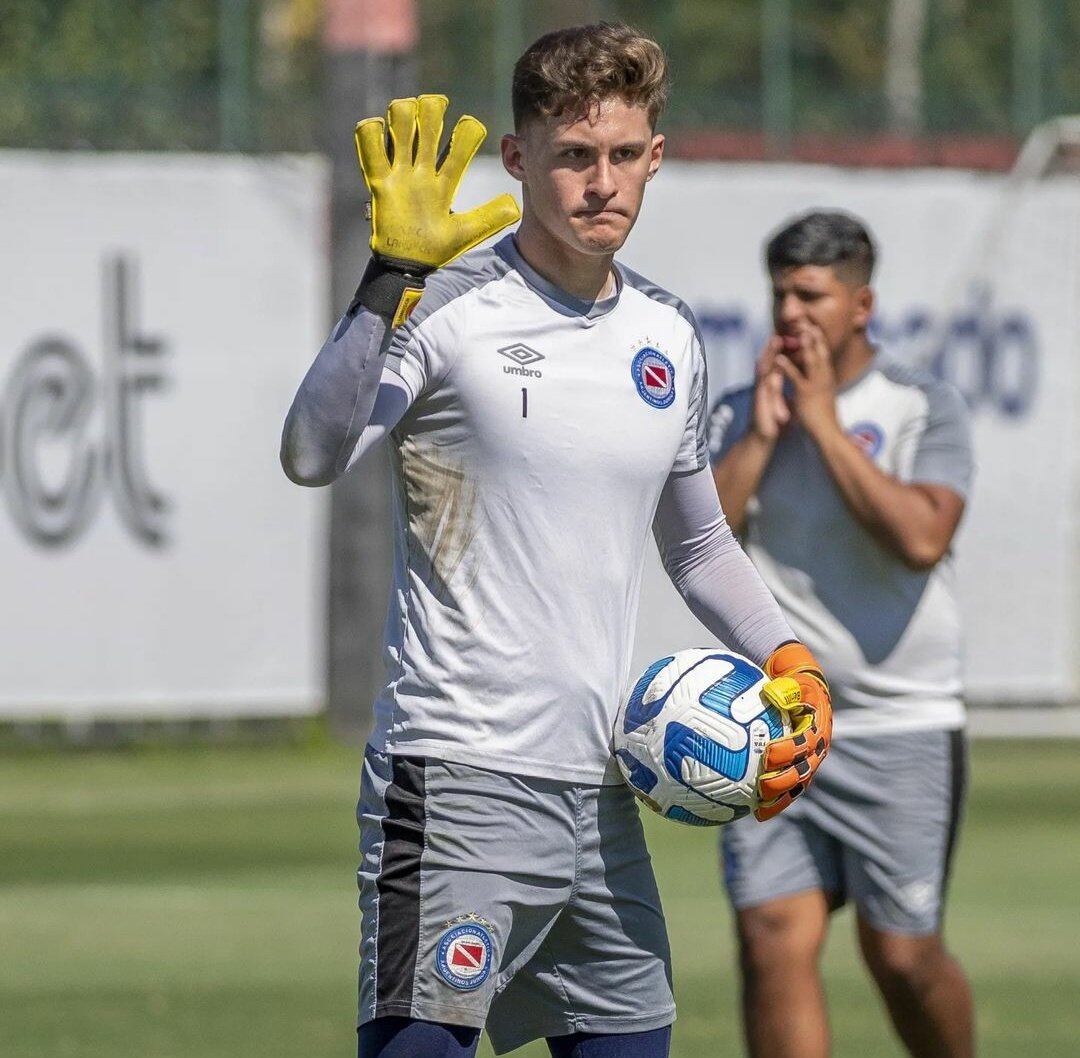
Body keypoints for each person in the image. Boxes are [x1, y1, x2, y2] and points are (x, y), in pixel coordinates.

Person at [282, 24, 831, 1058]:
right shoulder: (446, 303)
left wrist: (790, 657)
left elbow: (701, 543)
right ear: (521, 159)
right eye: (575, 156)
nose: (601, 184)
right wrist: (386, 276)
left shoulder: (666, 333)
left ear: (655, 158)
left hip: (603, 787)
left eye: (624, 156)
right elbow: (312, 452)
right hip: (455, 779)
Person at [710, 210, 975, 1058]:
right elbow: (697, 538)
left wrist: (823, 424)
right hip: (777, 719)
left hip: (901, 725)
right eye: (781, 293)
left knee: (902, 957)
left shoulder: (921, 406)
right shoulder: (741, 411)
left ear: (861, 305)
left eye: (812, 296)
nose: (791, 314)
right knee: (770, 940)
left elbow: (922, 537)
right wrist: (762, 430)